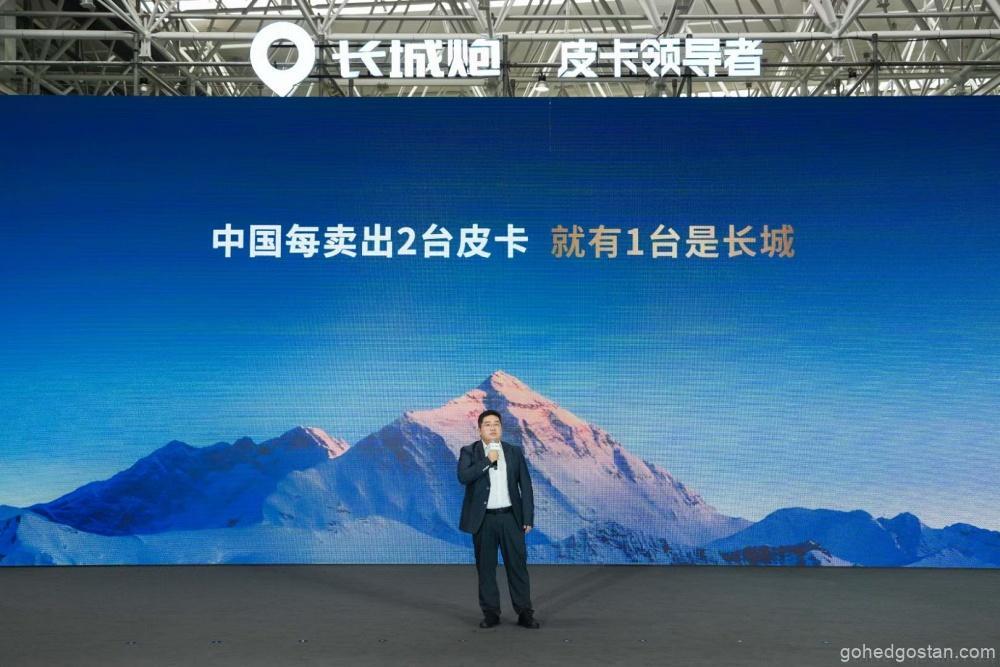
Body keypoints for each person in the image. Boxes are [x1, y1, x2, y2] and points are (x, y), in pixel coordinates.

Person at [456, 409, 540, 629]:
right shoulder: (469, 451)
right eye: (487, 424)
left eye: (496, 424)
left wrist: (528, 517)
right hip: (483, 520)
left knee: (517, 567)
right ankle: (491, 613)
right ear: (479, 429)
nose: (492, 427)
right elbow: (463, 477)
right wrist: (487, 460)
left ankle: (525, 612)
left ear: (501, 428)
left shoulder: (513, 452)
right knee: (486, 568)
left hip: (511, 517)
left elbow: (526, 486)